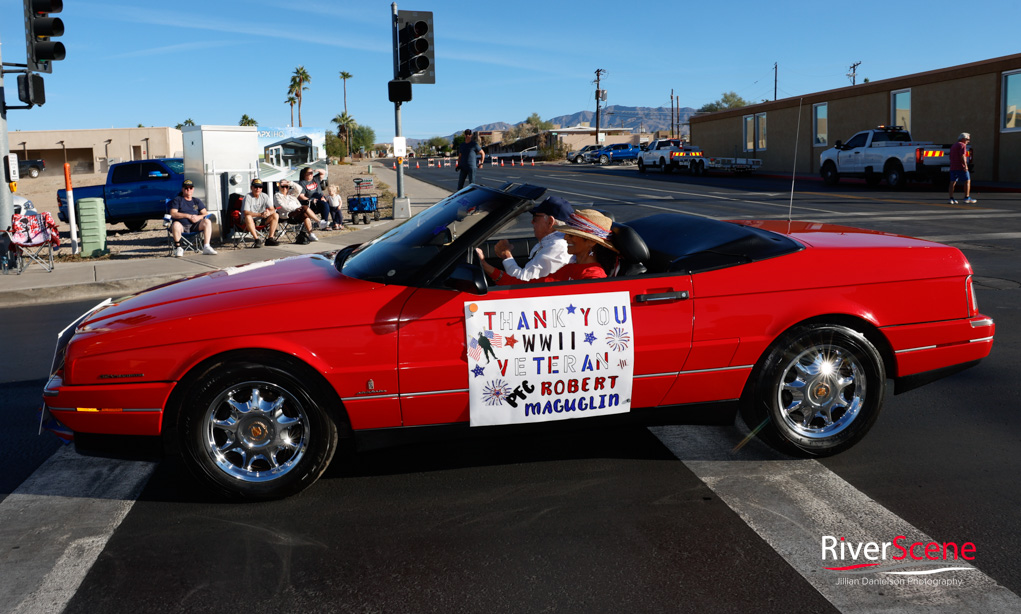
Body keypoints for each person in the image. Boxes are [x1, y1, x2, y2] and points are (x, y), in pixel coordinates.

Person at [478, 209, 616, 285]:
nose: (566, 238)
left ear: (591, 242)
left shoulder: (594, 278)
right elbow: (527, 286)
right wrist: (485, 265)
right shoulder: (569, 269)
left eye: (572, 235)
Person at [484, 196, 573, 281]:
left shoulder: (557, 246)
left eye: (535, 218)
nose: (532, 222)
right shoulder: (553, 242)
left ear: (550, 222)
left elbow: (522, 281)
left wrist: (505, 254)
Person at [168, 179, 216, 257]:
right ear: (182, 189)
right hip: (181, 226)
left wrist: (198, 217)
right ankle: (178, 248)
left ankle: (206, 247)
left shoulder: (196, 201)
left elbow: (205, 213)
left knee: (207, 221)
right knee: (175, 224)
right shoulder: (178, 200)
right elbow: (173, 213)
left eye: (190, 188)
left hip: (195, 226)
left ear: (193, 189)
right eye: (186, 188)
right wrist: (188, 216)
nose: (188, 190)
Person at [243, 178, 279, 247]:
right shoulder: (248, 197)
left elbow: (272, 209)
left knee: (275, 215)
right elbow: (246, 212)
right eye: (255, 187)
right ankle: (257, 240)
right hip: (251, 221)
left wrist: (268, 213)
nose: (258, 189)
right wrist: (260, 214)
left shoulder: (265, 196)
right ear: (251, 187)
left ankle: (270, 238)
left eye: (260, 187)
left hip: (262, 220)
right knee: (248, 217)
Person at [948, 133, 976, 204]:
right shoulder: (962, 145)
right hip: (960, 167)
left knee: (952, 182)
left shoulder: (954, 145)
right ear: (963, 139)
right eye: (967, 139)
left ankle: (951, 198)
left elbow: (950, 156)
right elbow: (962, 156)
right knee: (967, 181)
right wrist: (965, 165)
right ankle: (967, 197)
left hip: (953, 167)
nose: (968, 141)